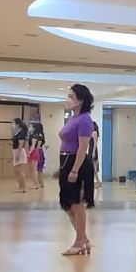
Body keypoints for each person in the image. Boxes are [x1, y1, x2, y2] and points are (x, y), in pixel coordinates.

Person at [58, 84, 96, 255]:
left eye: (72, 96)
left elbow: (83, 147)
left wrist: (74, 170)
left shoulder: (85, 120)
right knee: (67, 204)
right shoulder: (73, 118)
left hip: (76, 162)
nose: (68, 99)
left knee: (76, 203)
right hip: (66, 160)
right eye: (68, 96)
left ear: (81, 100)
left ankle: (79, 241)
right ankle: (83, 239)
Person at [11, 118, 30, 193]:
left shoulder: (21, 133)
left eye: (14, 123)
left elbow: (21, 144)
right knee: (17, 171)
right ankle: (20, 187)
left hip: (19, 152)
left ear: (18, 124)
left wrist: (18, 155)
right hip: (16, 151)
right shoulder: (18, 132)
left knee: (20, 171)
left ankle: (23, 188)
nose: (13, 125)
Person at [28, 122, 45, 189]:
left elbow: (35, 146)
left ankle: (37, 184)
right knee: (38, 168)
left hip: (36, 151)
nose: (29, 128)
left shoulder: (36, 135)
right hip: (38, 151)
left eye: (30, 127)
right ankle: (40, 183)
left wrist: (29, 152)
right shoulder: (40, 135)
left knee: (36, 169)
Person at [90, 122, 102, 189]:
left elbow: (95, 143)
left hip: (93, 150)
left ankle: (98, 182)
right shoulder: (92, 133)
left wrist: (93, 152)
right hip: (90, 150)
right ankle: (98, 182)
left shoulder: (94, 133)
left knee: (93, 168)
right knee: (92, 168)